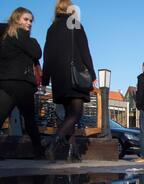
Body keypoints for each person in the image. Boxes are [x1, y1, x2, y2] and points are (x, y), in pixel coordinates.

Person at [43, 0, 96, 162]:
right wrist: (92, 74)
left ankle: (72, 153)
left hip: (59, 78)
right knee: (76, 113)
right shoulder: (75, 24)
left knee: (68, 115)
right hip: (75, 75)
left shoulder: (51, 29)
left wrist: (46, 79)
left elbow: (48, 55)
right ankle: (53, 144)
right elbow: (85, 50)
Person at [0, 7, 44, 159]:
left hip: (9, 82)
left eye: (31, 21)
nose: (29, 23)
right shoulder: (22, 37)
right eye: (26, 19)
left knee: (22, 119)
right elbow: (37, 52)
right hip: (18, 83)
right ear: (16, 18)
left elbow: (37, 54)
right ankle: (39, 152)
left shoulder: (7, 35)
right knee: (29, 121)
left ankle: (39, 151)